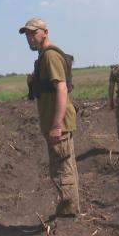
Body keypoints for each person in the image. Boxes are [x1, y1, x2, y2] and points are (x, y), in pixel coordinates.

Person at [19, 17, 80, 218]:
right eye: (27, 34)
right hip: (58, 122)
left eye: (33, 33)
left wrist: (56, 125)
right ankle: (70, 210)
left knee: (62, 170)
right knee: (66, 166)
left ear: (45, 32)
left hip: (58, 124)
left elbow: (61, 89)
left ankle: (67, 213)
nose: (30, 38)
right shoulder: (44, 56)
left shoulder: (50, 56)